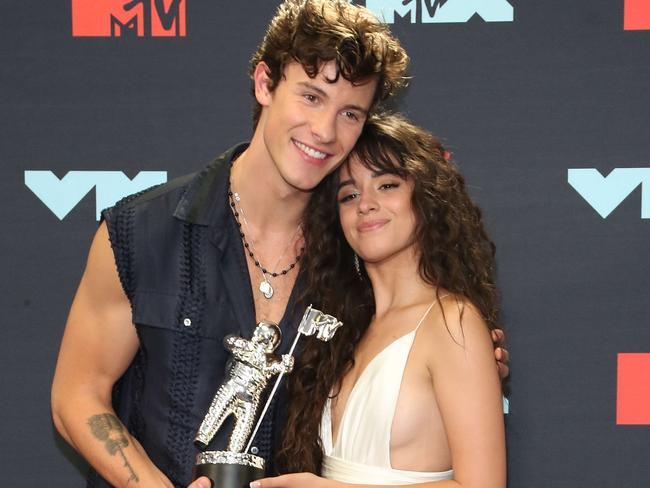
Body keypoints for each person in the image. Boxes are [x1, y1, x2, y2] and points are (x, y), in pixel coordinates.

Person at [51, 1, 508, 487]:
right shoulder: (144, 231)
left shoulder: (358, 253)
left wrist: (473, 361)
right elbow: (76, 396)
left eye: (350, 113)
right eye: (311, 97)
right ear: (265, 83)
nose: (325, 131)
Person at [254, 113, 506, 487]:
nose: (365, 204)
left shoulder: (453, 322)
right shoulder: (345, 329)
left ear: (426, 198)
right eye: (349, 194)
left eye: (387, 185)